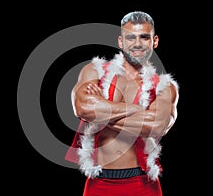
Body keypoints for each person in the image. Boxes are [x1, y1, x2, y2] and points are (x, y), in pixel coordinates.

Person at [65, 11, 179, 196]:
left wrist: (101, 111)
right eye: (130, 37)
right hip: (99, 182)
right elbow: (83, 108)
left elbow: (157, 125)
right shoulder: (94, 71)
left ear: (154, 41)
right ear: (120, 41)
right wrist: (138, 111)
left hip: (144, 184)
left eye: (144, 37)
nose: (137, 44)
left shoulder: (165, 87)